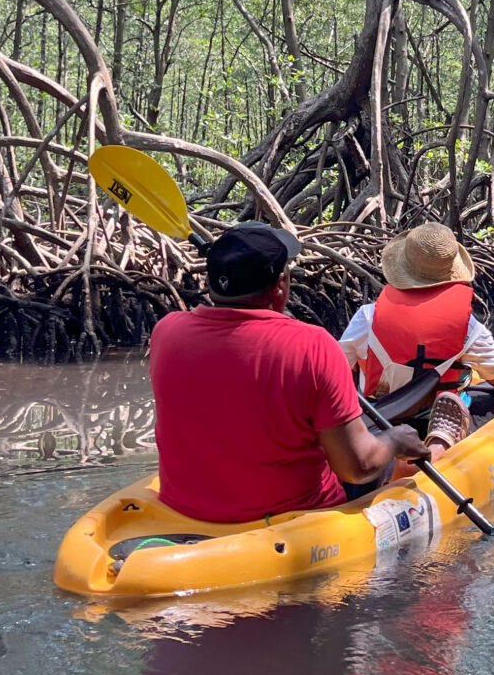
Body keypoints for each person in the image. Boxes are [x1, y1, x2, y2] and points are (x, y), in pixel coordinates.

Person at [149, 223, 427, 523]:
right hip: (293, 522)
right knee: (382, 456)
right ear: (281, 284)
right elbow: (357, 467)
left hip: (185, 515)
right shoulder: (315, 345)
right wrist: (396, 440)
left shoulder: (166, 331)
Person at [337, 223, 494, 459]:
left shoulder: (367, 316)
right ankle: (440, 442)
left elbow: (337, 370)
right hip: (429, 413)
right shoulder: (469, 328)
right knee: (490, 395)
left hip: (379, 416)